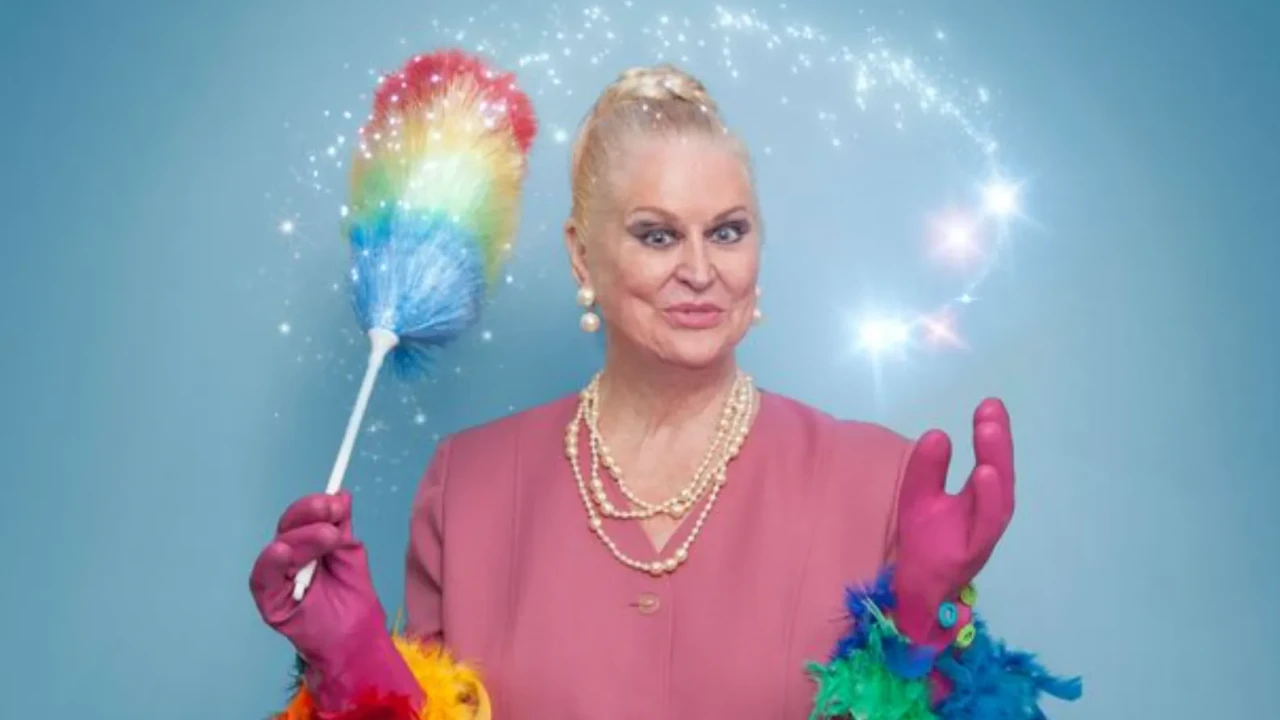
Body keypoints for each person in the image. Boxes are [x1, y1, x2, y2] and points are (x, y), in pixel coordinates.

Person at [251, 64, 1081, 720]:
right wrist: (354, 663)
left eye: (728, 231)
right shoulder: (467, 485)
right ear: (582, 255)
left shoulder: (879, 481)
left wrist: (923, 626)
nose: (700, 269)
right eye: (657, 235)